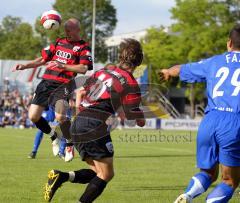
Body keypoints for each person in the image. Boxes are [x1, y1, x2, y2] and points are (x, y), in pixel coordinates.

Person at [44, 38, 146, 203]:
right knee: (106, 174)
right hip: (95, 124)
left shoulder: (102, 72)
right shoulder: (130, 83)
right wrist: (140, 118)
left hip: (78, 124)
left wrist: (78, 114)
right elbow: (133, 117)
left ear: (121, 57)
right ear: (139, 60)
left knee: (97, 172)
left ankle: (60, 176)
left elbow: (79, 93)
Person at [159, 24, 240, 203]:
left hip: (209, 121)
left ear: (229, 43)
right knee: (229, 181)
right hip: (234, 122)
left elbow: (181, 69)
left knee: (208, 173)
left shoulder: (214, 62)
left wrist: (167, 72)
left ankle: (187, 195)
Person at [13, 18, 93, 162]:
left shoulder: (83, 47)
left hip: (63, 86)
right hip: (45, 83)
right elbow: (42, 59)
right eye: (65, 29)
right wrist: (25, 66)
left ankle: (69, 143)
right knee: (33, 116)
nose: (66, 32)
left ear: (77, 30)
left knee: (60, 117)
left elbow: (83, 68)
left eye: (69, 29)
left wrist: (63, 66)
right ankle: (53, 136)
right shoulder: (58, 42)